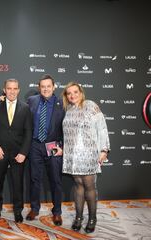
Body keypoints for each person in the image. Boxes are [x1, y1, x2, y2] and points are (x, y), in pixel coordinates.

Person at [62, 82, 110, 233]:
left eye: (75, 92)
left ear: (81, 92)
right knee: (78, 186)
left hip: (89, 153)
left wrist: (104, 150)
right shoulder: (68, 109)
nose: (72, 95)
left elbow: (102, 128)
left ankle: (92, 218)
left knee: (89, 186)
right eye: (69, 93)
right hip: (73, 155)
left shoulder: (91, 106)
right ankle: (78, 217)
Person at [26, 74, 65, 226]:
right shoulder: (31, 101)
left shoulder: (62, 104)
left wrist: (61, 147)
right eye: (43, 87)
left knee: (56, 180)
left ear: (54, 87)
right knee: (35, 179)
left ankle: (57, 212)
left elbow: (66, 128)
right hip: (35, 145)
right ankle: (35, 209)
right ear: (39, 88)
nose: (46, 89)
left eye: (49, 86)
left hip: (53, 145)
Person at [0, 79, 32, 223]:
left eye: (15, 88)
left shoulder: (25, 108)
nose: (12, 91)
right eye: (9, 88)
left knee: (18, 183)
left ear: (19, 90)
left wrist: (23, 152)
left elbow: (28, 132)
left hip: (18, 153)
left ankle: (17, 210)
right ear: (4, 89)